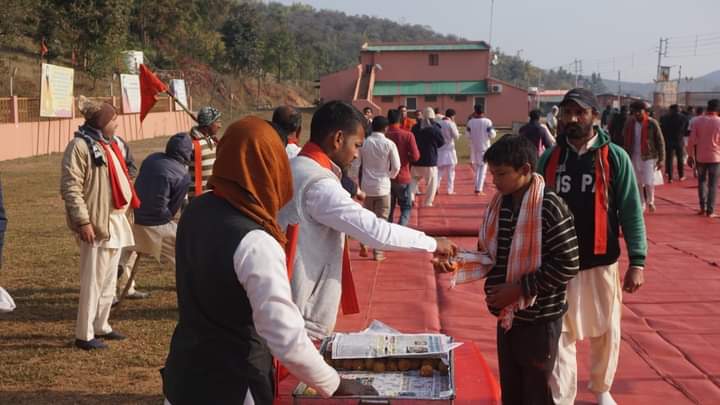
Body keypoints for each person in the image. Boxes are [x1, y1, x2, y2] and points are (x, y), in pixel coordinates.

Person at [162, 117, 377, 405]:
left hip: (185, 373)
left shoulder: (197, 209)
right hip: (233, 383)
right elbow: (283, 333)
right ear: (268, 167)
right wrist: (334, 383)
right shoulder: (255, 241)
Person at [278, 101, 456, 339]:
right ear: (338, 138)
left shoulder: (297, 166)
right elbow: (375, 232)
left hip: (287, 301)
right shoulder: (318, 184)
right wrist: (433, 243)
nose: (356, 154)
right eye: (356, 145)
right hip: (299, 313)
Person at [537, 88, 647, 405]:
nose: (571, 119)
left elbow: (630, 210)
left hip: (601, 261)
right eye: (566, 112)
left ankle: (601, 389)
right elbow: (536, 209)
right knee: (558, 334)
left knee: (606, 330)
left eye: (579, 112)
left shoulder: (615, 157)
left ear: (594, 116)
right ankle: (562, 396)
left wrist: (637, 262)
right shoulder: (550, 158)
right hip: (558, 263)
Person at [477, 135, 579, 405]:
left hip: (539, 319)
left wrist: (520, 289)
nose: (494, 181)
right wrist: (458, 262)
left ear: (525, 170)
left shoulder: (549, 206)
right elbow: (488, 254)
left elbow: (568, 263)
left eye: (501, 174)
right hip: (509, 318)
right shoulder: (500, 205)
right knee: (512, 391)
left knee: (536, 392)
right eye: (492, 174)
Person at [61, 97, 140, 350]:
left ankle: (101, 325)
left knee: (107, 280)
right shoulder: (80, 146)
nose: (117, 124)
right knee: (93, 281)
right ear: (102, 122)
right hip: (96, 223)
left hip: (115, 221)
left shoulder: (108, 144)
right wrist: (83, 221)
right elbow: (71, 187)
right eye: (113, 119)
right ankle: (84, 334)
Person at [117, 134, 192, 299]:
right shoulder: (183, 176)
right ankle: (191, 292)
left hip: (134, 216)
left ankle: (124, 284)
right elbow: (172, 210)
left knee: (127, 252)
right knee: (183, 254)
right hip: (157, 223)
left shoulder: (152, 159)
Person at [357, 116, 400, 261]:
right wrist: (389, 175)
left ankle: (364, 242)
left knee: (367, 219)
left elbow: (356, 164)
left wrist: (355, 182)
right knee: (381, 220)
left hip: (366, 187)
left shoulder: (364, 143)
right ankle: (378, 252)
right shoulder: (389, 144)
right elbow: (396, 166)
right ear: (386, 128)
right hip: (383, 187)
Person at [623, 101, 665, 213]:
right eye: (635, 112)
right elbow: (624, 137)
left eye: (639, 111)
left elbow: (660, 141)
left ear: (645, 111)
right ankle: (641, 204)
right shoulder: (629, 123)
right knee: (637, 182)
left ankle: (650, 201)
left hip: (649, 156)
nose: (637, 114)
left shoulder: (652, 123)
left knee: (648, 180)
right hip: (633, 155)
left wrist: (661, 159)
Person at [386, 109, 420, 226]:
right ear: (400, 119)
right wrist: (406, 158)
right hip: (403, 176)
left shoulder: (384, 136)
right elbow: (416, 157)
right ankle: (401, 230)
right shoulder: (407, 135)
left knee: (388, 210)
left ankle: (387, 234)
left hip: (386, 177)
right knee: (406, 207)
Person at [687, 99, 720, 218]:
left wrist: (690, 155)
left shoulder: (697, 121)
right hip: (715, 157)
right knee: (713, 184)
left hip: (700, 157)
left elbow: (691, 140)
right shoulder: (719, 122)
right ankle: (710, 210)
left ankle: (703, 207)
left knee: (701, 182)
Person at [411, 107, 445, 207]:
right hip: (430, 160)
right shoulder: (435, 129)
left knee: (413, 181)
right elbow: (441, 142)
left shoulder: (415, 127)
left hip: (416, 159)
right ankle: (428, 202)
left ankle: (410, 198)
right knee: (431, 183)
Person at [186, 106, 222, 199]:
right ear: (208, 125)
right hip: (195, 200)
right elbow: (182, 172)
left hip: (212, 197)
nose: (220, 126)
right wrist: (184, 198)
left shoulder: (212, 141)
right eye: (217, 122)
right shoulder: (190, 144)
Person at [467, 105, 497, 194]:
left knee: (477, 169)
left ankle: (477, 187)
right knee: (482, 170)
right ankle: (478, 189)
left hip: (474, 148)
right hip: (484, 148)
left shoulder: (470, 122)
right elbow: (492, 134)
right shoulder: (487, 121)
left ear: (474, 111)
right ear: (483, 112)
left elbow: (467, 135)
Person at [659, 104, 689, 182]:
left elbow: (662, 129)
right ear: (678, 109)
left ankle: (670, 177)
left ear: (670, 110)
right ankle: (681, 175)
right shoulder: (684, 118)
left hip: (668, 140)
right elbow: (686, 130)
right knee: (680, 158)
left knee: (669, 159)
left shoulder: (664, 118)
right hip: (679, 140)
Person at [437, 109, 461, 194]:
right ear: (452, 116)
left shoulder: (438, 123)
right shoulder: (451, 123)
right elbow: (456, 136)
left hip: (440, 149)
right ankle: (449, 190)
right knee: (451, 171)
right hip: (449, 149)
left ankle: (436, 187)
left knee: (439, 171)